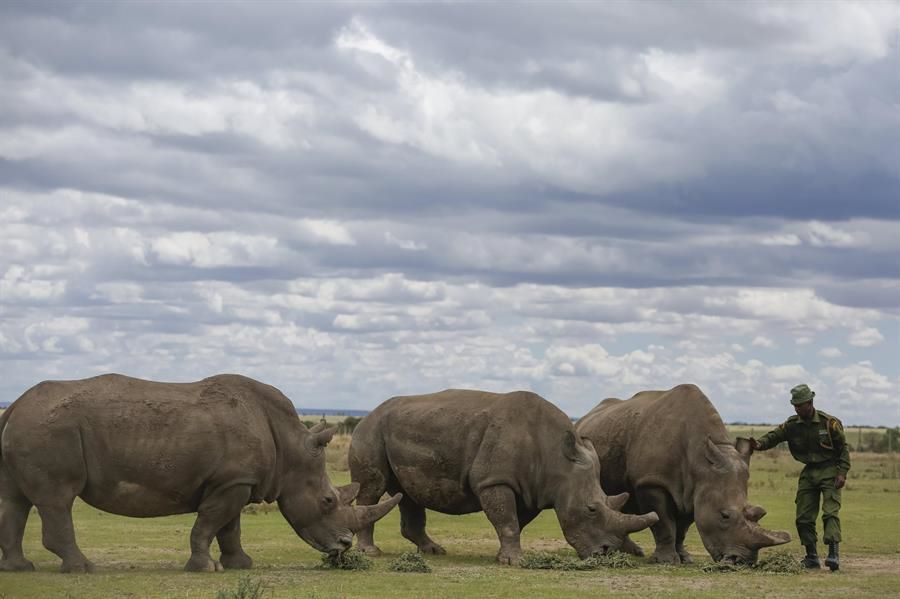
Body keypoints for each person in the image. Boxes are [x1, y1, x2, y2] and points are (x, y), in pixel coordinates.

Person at [750, 384, 850, 571]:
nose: (797, 409)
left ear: (810, 403)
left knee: (830, 513)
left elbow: (843, 448)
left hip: (830, 469)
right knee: (803, 517)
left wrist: (842, 472)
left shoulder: (829, 423)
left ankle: (833, 555)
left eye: (800, 405)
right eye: (794, 406)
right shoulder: (792, 425)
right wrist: (758, 444)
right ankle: (811, 556)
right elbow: (774, 437)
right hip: (809, 472)